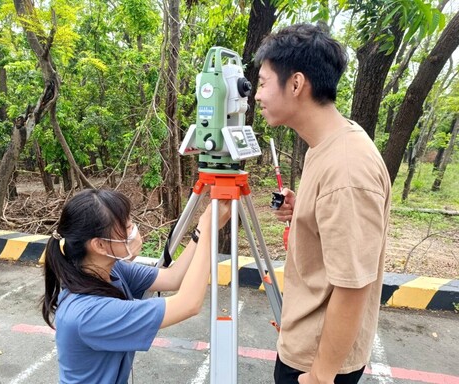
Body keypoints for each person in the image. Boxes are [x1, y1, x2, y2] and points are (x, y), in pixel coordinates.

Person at [254, 24, 391, 384]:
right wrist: (303, 209)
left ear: (296, 84)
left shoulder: (347, 170)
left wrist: (320, 375)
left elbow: (352, 286)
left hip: (316, 363)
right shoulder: (325, 145)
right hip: (306, 344)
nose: (256, 95)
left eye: (264, 82)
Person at [41, 188, 230, 384]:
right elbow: (189, 304)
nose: (134, 230)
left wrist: (201, 231)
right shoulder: (88, 313)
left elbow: (174, 278)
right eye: (127, 226)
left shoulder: (111, 269)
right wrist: (208, 230)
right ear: (99, 245)